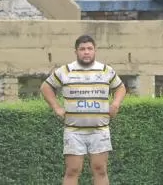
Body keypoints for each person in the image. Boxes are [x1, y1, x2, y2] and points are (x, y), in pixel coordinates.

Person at [41, 35, 126, 185]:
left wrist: (115, 104)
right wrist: (56, 107)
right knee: (72, 170)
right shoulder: (65, 71)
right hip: (74, 131)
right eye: (82, 49)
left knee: (100, 169)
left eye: (89, 49)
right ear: (76, 51)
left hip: (100, 130)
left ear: (95, 50)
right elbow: (46, 87)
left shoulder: (106, 70)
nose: (86, 52)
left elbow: (120, 87)